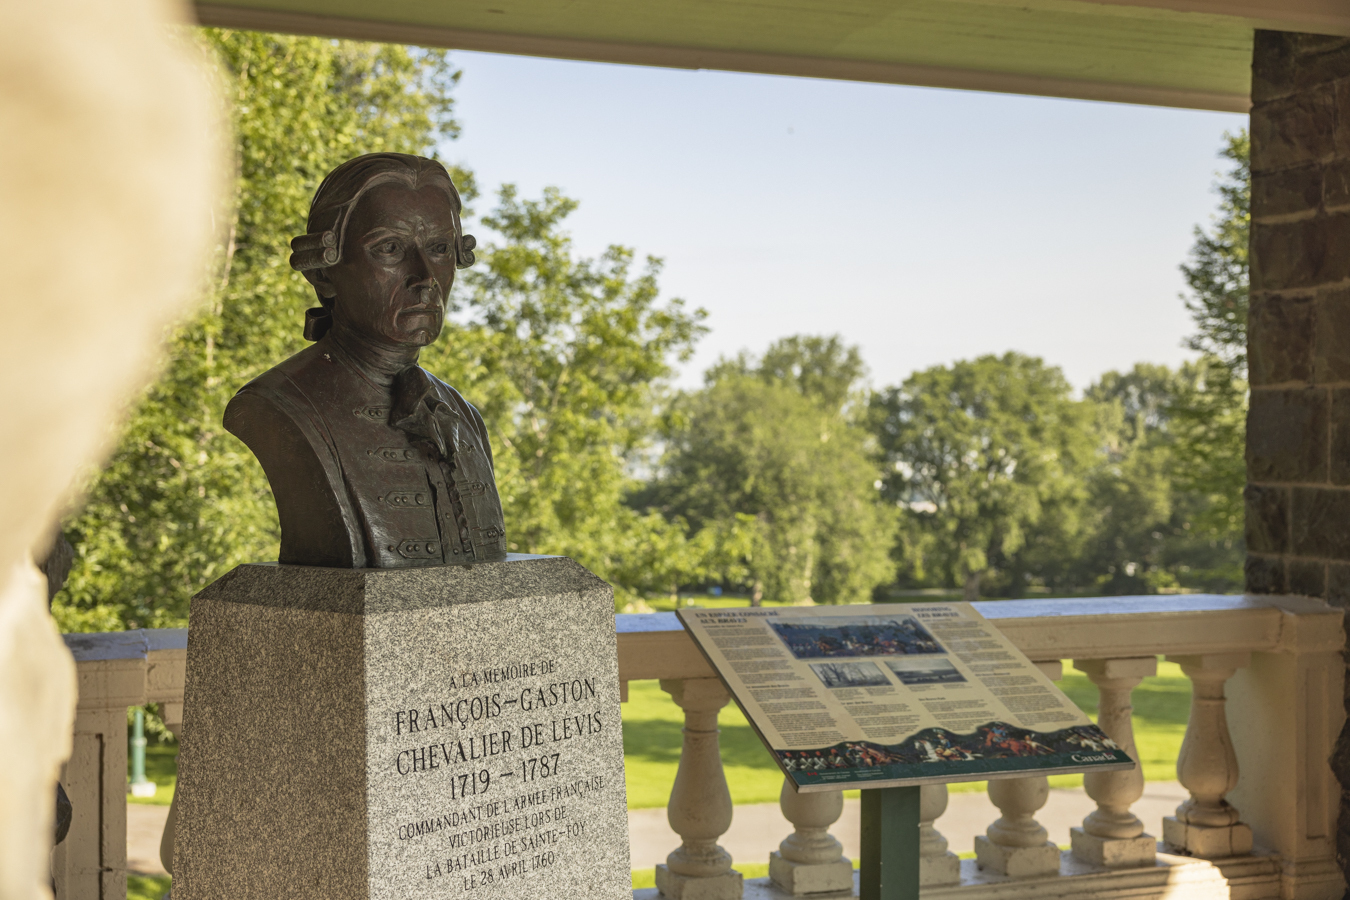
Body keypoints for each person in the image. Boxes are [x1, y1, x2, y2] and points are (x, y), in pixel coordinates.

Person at [225, 153, 506, 568]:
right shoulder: (279, 405)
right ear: (324, 271)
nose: (425, 278)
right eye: (390, 249)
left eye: (440, 249)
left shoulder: (464, 416)